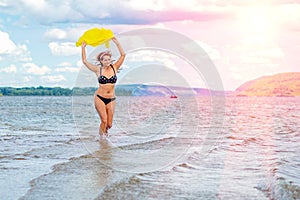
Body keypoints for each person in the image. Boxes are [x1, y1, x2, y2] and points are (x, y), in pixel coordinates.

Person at [81, 37, 126, 137]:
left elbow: (123, 55)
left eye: (109, 59)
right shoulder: (98, 69)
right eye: (105, 60)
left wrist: (117, 43)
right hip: (99, 98)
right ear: (101, 61)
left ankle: (105, 138)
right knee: (104, 121)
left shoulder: (114, 67)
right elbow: (84, 61)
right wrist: (83, 48)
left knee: (109, 124)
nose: (107, 61)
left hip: (111, 99)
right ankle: (102, 140)